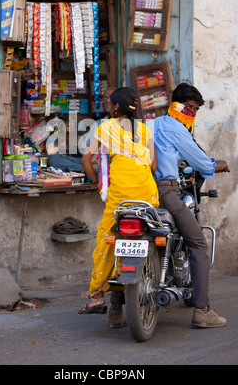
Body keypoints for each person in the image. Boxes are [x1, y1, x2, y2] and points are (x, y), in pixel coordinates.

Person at [79, 87, 159, 318]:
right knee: (156, 234)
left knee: (106, 241)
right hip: (146, 195)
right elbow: (153, 167)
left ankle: (96, 295)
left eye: (110, 103)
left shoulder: (105, 128)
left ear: (115, 107)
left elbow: (86, 161)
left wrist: (96, 181)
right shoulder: (144, 130)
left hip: (120, 197)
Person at [152, 82, 227, 328]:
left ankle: (117, 308)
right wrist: (217, 164)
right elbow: (202, 163)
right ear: (178, 105)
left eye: (195, 109)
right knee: (198, 244)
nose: (192, 113)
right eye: (190, 107)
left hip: (141, 191)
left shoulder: (149, 124)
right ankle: (202, 310)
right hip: (167, 191)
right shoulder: (177, 129)